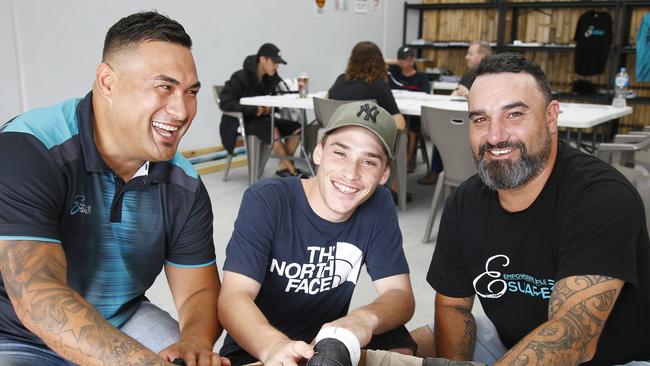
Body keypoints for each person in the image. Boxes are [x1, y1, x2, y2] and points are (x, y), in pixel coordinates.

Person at [0, 11, 225, 366]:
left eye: (191, 92)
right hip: (16, 333)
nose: (182, 111)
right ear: (107, 82)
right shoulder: (29, 148)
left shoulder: (184, 184)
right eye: (164, 87)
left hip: (124, 318)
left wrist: (195, 340)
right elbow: (38, 298)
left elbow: (198, 288)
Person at [411, 53, 650, 365]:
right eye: (481, 119)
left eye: (514, 115)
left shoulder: (601, 198)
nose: (494, 136)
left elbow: (572, 336)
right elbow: (453, 306)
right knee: (395, 347)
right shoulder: (465, 201)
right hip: (508, 341)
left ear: (551, 116)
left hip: (614, 359)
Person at [218, 101, 416, 366]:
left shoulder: (378, 204)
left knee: (400, 345)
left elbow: (400, 295)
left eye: (369, 161)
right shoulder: (268, 200)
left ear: (384, 174)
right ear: (318, 152)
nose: (351, 173)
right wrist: (274, 347)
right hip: (258, 345)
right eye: (340, 153)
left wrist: (362, 319)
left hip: (326, 343)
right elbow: (233, 297)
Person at [328, 41, 408, 203]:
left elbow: (329, 102)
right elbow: (399, 123)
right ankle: (394, 185)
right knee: (402, 134)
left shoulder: (339, 81)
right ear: (378, 62)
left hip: (340, 141)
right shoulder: (378, 86)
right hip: (368, 144)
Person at [220, 43, 305, 178]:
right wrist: (255, 110)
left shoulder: (269, 80)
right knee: (272, 129)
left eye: (278, 64)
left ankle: (284, 167)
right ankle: (292, 171)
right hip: (242, 122)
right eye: (274, 62)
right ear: (262, 59)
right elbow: (225, 103)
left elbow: (275, 101)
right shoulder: (240, 77)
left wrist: (268, 108)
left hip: (264, 119)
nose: (276, 66)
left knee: (297, 128)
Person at [387, 46, 443, 185]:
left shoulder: (421, 77)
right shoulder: (393, 74)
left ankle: (406, 162)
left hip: (415, 117)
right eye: (405, 59)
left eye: (411, 59)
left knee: (410, 132)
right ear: (399, 61)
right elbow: (378, 61)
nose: (409, 62)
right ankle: (391, 162)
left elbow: (425, 97)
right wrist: (396, 62)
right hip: (398, 113)